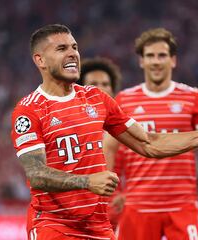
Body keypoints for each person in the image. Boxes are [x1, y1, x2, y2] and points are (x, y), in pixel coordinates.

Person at [10, 24, 198, 240]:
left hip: (97, 226)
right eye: (61, 49)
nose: (72, 54)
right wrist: (87, 182)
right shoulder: (29, 110)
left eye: (74, 47)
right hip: (54, 225)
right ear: (40, 60)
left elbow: (148, 143)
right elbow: (36, 174)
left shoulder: (96, 98)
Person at [103, 28, 198, 240]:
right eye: (150, 56)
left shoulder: (193, 98)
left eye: (162, 55)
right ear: (141, 61)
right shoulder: (124, 100)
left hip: (182, 207)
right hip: (136, 208)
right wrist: (109, 196)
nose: (156, 61)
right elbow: (109, 149)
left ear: (173, 60)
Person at [77, 56, 123, 230]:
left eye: (105, 84)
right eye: (94, 83)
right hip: (80, 213)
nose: (101, 89)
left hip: (117, 214)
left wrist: (129, 195)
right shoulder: (69, 127)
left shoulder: (126, 129)